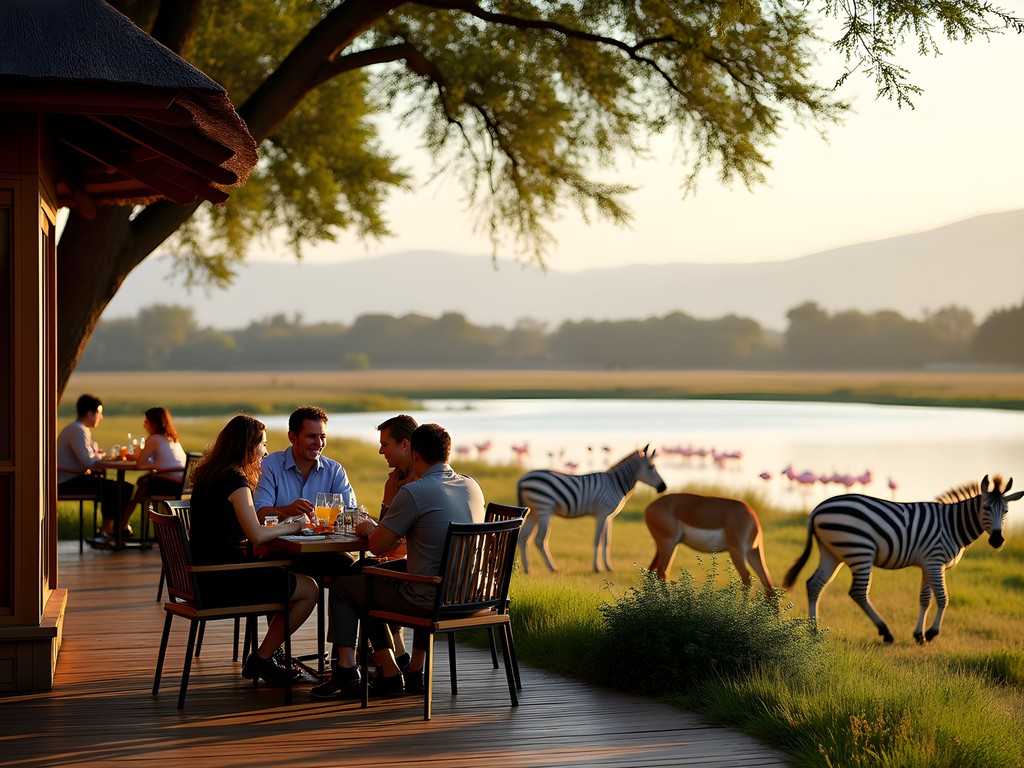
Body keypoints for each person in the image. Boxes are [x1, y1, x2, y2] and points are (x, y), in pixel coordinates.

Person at [311, 423, 485, 700]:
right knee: (366, 573)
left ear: (414, 453)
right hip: (469, 592)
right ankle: (411, 670)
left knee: (347, 587)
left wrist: (368, 527)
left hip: (430, 594)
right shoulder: (471, 486)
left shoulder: (415, 492)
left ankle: (365, 669)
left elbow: (378, 544)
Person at [188, 414, 319, 685]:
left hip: (204, 576)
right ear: (248, 445)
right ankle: (262, 658)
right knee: (309, 589)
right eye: (263, 444)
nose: (266, 451)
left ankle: (269, 656)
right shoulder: (235, 482)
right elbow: (257, 534)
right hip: (226, 578)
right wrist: (293, 526)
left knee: (283, 575)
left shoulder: (210, 476)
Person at [57, 393, 134, 547]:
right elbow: (87, 462)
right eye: (99, 412)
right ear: (89, 413)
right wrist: (106, 459)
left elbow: (90, 456)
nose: (101, 417)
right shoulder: (77, 430)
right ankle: (112, 531)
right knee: (118, 488)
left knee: (120, 487)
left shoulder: (78, 429)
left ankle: (111, 531)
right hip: (66, 481)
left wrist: (101, 457)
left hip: (71, 478)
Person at [254, 406, 356, 522]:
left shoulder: (335, 471)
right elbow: (259, 513)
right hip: (280, 540)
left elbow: (349, 514)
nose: (319, 443)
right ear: (292, 437)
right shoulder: (269, 465)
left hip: (326, 540)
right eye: (311, 436)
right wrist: (290, 511)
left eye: (323, 436)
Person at [123, 406, 187, 525]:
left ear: (154, 423)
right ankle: (127, 525)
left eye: (146, 421)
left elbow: (140, 465)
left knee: (141, 483)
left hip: (170, 485)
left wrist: (153, 465)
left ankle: (123, 524)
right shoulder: (173, 439)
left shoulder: (154, 438)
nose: (144, 425)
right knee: (143, 482)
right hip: (183, 485)